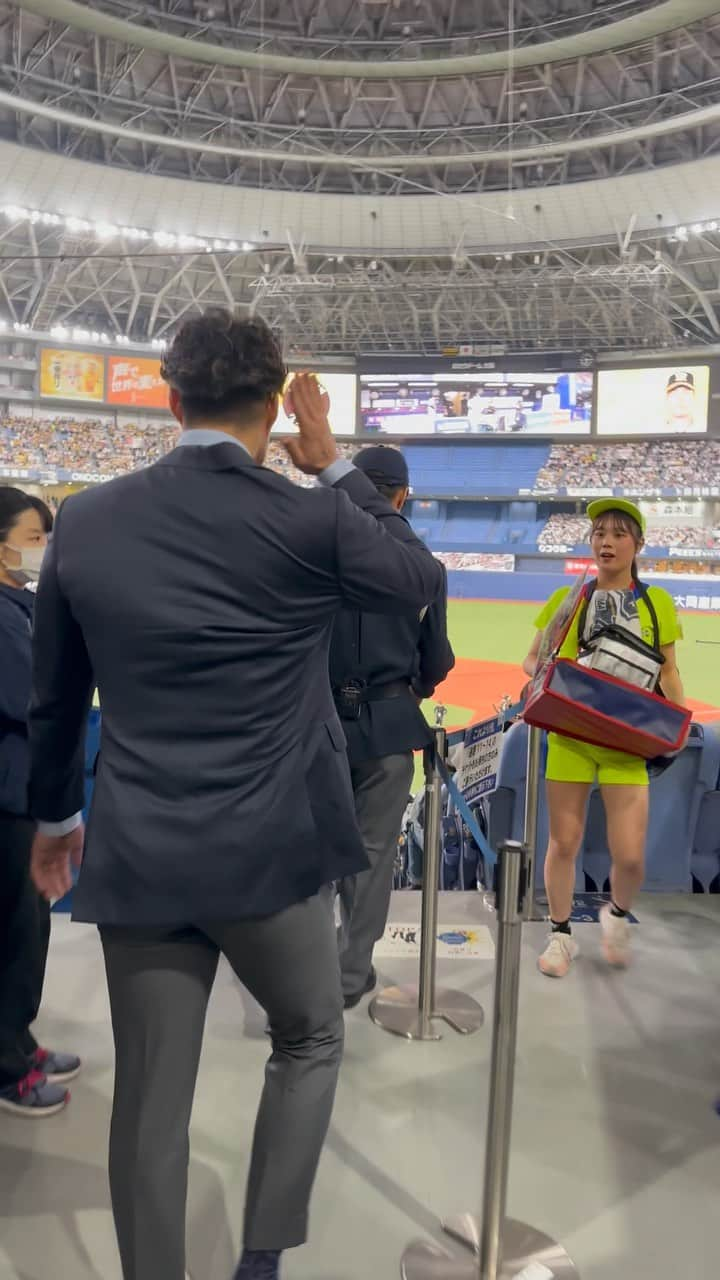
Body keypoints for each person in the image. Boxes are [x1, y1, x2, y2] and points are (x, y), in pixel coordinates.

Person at [26, 308, 444, 1280]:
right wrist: (334, 463)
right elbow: (416, 579)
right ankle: (260, 1257)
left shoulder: (85, 516)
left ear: (171, 399)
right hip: (274, 854)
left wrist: (56, 819)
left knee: (149, 1100)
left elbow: (56, 700)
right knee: (308, 1035)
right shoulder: (312, 512)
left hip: (142, 851)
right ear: (277, 402)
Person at [522, 498, 686, 979]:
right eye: (598, 533)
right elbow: (531, 661)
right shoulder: (569, 598)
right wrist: (563, 676)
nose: (606, 542)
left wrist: (676, 720)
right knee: (564, 842)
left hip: (627, 741)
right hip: (572, 735)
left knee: (631, 856)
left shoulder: (657, 602)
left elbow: (669, 669)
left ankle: (616, 914)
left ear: (638, 544)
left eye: (617, 534)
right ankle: (560, 934)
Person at [329, 446, 454, 1007]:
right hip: (388, 727)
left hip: (313, 729)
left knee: (309, 857)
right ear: (402, 497)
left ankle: (300, 977)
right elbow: (436, 665)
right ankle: (349, 976)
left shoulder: (312, 552)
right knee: (373, 859)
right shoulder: (420, 563)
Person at [0, 487, 81, 1117]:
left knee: (30, 927)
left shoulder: (18, 604)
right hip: (7, 801)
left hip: (25, 795)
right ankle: (7, 1068)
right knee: (13, 933)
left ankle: (19, 1045)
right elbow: (34, 697)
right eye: (33, 538)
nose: (42, 551)